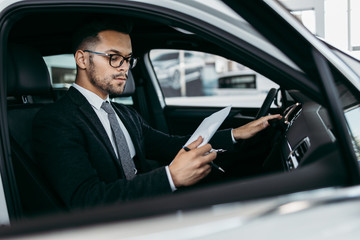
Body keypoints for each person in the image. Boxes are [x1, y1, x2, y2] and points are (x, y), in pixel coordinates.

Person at [32, 20, 281, 210]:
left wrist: (237, 133)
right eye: (114, 58)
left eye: (128, 59)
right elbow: (86, 200)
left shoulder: (124, 114)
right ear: (82, 59)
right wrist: (170, 178)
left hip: (150, 208)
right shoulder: (56, 120)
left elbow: (171, 146)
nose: (125, 68)